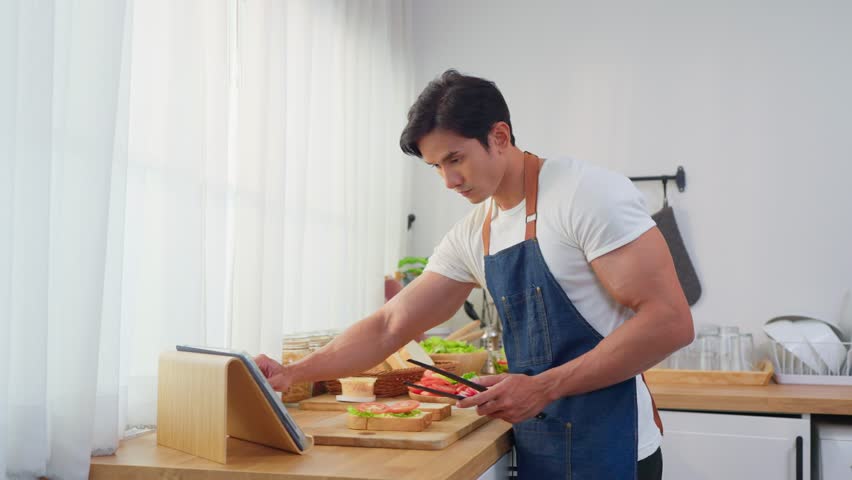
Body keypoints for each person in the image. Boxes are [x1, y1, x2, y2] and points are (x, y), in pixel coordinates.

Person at [255, 69, 694, 479]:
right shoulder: (474, 233)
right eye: (436, 167)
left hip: (615, 447)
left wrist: (543, 386)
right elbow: (391, 324)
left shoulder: (585, 193)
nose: (448, 180)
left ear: (498, 136)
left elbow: (670, 322)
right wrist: (293, 373)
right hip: (540, 444)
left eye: (455, 159)